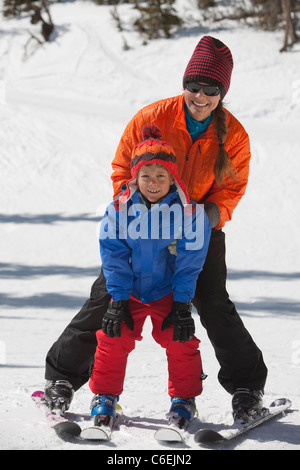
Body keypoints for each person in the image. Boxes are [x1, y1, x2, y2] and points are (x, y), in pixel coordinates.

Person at [44, 35, 268, 421]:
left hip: (197, 231)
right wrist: (140, 212)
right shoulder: (153, 118)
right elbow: (121, 169)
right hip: (141, 227)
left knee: (213, 303)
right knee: (109, 299)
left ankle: (247, 387)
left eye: (210, 90)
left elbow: (230, 190)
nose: (199, 96)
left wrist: (198, 221)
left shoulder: (234, 135)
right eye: (192, 86)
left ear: (222, 92)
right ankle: (62, 378)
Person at [88, 125, 211, 427]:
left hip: (167, 292)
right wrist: (118, 299)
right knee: (113, 335)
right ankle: (104, 396)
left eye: (160, 176)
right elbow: (113, 256)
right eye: (146, 176)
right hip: (130, 292)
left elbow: (189, 263)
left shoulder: (190, 214)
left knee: (180, 339)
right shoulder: (118, 210)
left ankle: (183, 400)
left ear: (172, 178)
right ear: (135, 177)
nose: (153, 183)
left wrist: (182, 304)